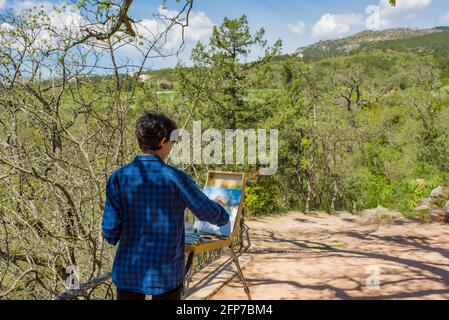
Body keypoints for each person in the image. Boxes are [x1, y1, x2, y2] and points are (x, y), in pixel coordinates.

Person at [101, 112, 230, 300]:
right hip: (166, 273)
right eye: (171, 143)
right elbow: (206, 211)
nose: (170, 147)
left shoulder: (119, 177)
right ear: (162, 141)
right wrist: (224, 215)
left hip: (128, 270)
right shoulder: (176, 178)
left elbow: (110, 231)